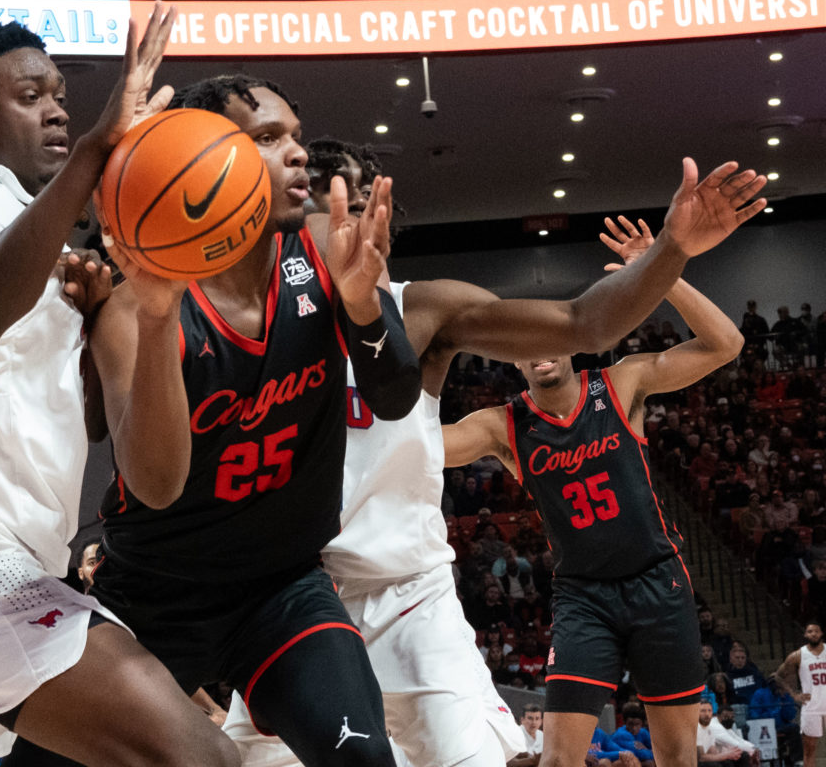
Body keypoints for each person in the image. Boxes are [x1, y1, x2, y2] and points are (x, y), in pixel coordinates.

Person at [216, 134, 764, 767]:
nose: (361, 215)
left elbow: (583, 321)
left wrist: (670, 253)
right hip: (300, 591)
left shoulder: (423, 310)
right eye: (337, 197)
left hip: (411, 592)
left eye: (369, 200)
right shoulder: (244, 326)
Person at [0, 8, 240, 767]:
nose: (56, 107)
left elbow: (130, 462)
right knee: (199, 758)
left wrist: (125, 317)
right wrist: (97, 149)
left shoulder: (41, 247)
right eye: (30, 95)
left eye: (60, 93)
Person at [88, 73, 423, 767]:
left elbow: (395, 397)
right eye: (269, 138)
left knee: (365, 759)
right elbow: (153, 485)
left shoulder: (333, 249)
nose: (298, 153)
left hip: (284, 588)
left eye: (296, 136)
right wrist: (156, 318)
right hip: (155, 598)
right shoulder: (134, 306)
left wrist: (365, 306)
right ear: (205, 157)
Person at [442, 213, 756, 767]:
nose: (540, 348)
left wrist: (657, 272)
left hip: (659, 584)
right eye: (526, 341)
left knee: (676, 757)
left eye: (550, 334)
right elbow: (418, 447)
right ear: (513, 357)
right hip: (584, 597)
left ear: (571, 340)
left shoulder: (621, 382)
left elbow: (726, 343)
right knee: (559, 760)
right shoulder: (502, 425)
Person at [773, 622, 826, 767]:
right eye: (809, 631)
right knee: (809, 750)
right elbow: (777, 676)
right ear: (805, 635)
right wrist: (794, 695)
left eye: (816, 631)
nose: (813, 634)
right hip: (811, 706)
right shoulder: (798, 655)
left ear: (821, 633)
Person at [698, 701, 751, 767]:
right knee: (717, 764)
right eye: (703, 711)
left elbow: (713, 752)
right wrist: (726, 755)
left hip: (708, 759)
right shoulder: (697, 728)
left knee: (742, 756)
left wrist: (729, 753)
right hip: (695, 762)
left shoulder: (709, 728)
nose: (707, 714)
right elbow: (702, 757)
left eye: (709, 711)